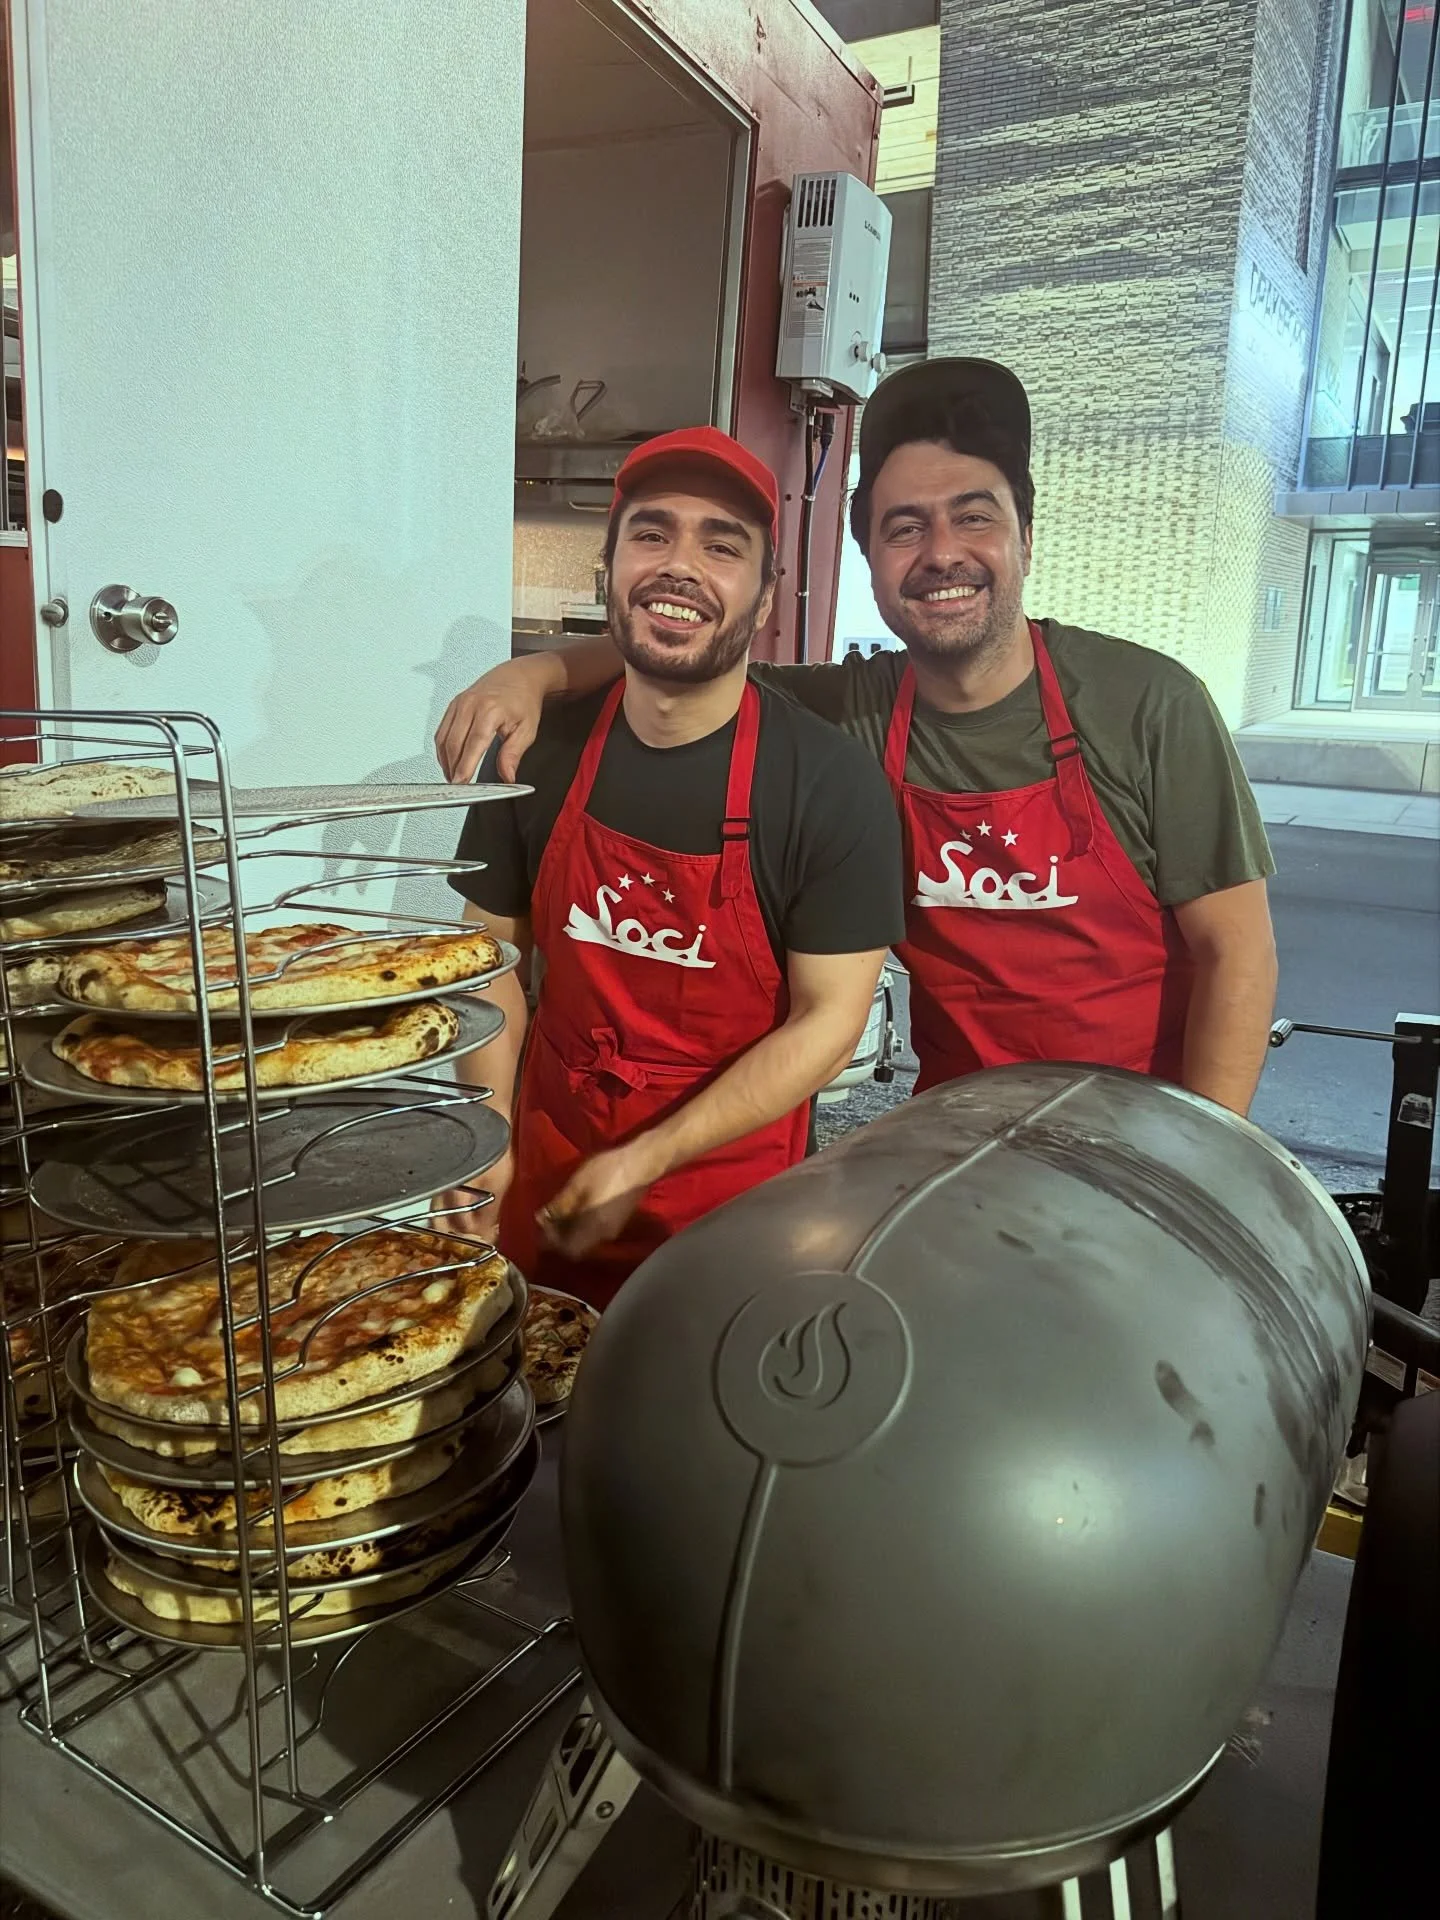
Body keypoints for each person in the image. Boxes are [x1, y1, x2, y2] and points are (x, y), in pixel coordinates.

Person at [437, 361, 1278, 1117]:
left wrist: (1201, 1164)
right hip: (958, 1134)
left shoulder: (1149, 705)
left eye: (973, 518)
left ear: (1026, 533)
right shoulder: (854, 711)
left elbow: (1236, 958)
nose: (941, 554)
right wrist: (539, 673)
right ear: (870, 558)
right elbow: (690, 652)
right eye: (905, 528)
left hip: (1144, 1127)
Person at [441, 427, 904, 1307]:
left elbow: (829, 1022)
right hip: (544, 1164)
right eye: (651, 535)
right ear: (606, 571)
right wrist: (487, 1137)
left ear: (765, 598)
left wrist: (647, 1159)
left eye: (721, 545)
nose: (679, 566)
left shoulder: (828, 784)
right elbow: (489, 960)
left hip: (727, 1204)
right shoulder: (538, 753)